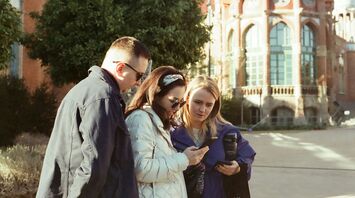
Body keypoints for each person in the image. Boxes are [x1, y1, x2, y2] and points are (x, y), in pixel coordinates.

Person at [36, 36, 150, 198]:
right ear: (120, 69)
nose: (139, 83)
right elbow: (93, 167)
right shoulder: (102, 98)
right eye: (139, 75)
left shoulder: (89, 90)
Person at [125, 66, 209, 198]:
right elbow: (141, 169)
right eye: (173, 101)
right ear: (156, 93)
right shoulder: (141, 119)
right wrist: (184, 159)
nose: (176, 108)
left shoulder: (158, 122)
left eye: (181, 103)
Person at [171, 75, 256, 198]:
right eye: (198, 102)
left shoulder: (227, 131)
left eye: (208, 104)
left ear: (215, 105)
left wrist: (238, 167)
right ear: (187, 98)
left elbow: (247, 155)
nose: (202, 109)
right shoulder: (170, 131)